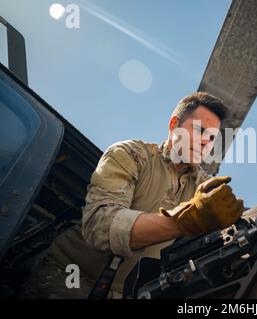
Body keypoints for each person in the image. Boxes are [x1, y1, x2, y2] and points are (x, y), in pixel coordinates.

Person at [22, 92, 244, 298]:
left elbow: (234, 219)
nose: (206, 142)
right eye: (200, 130)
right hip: (69, 276)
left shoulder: (202, 184)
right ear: (174, 125)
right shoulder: (130, 154)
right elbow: (99, 226)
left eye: (212, 138)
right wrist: (185, 221)